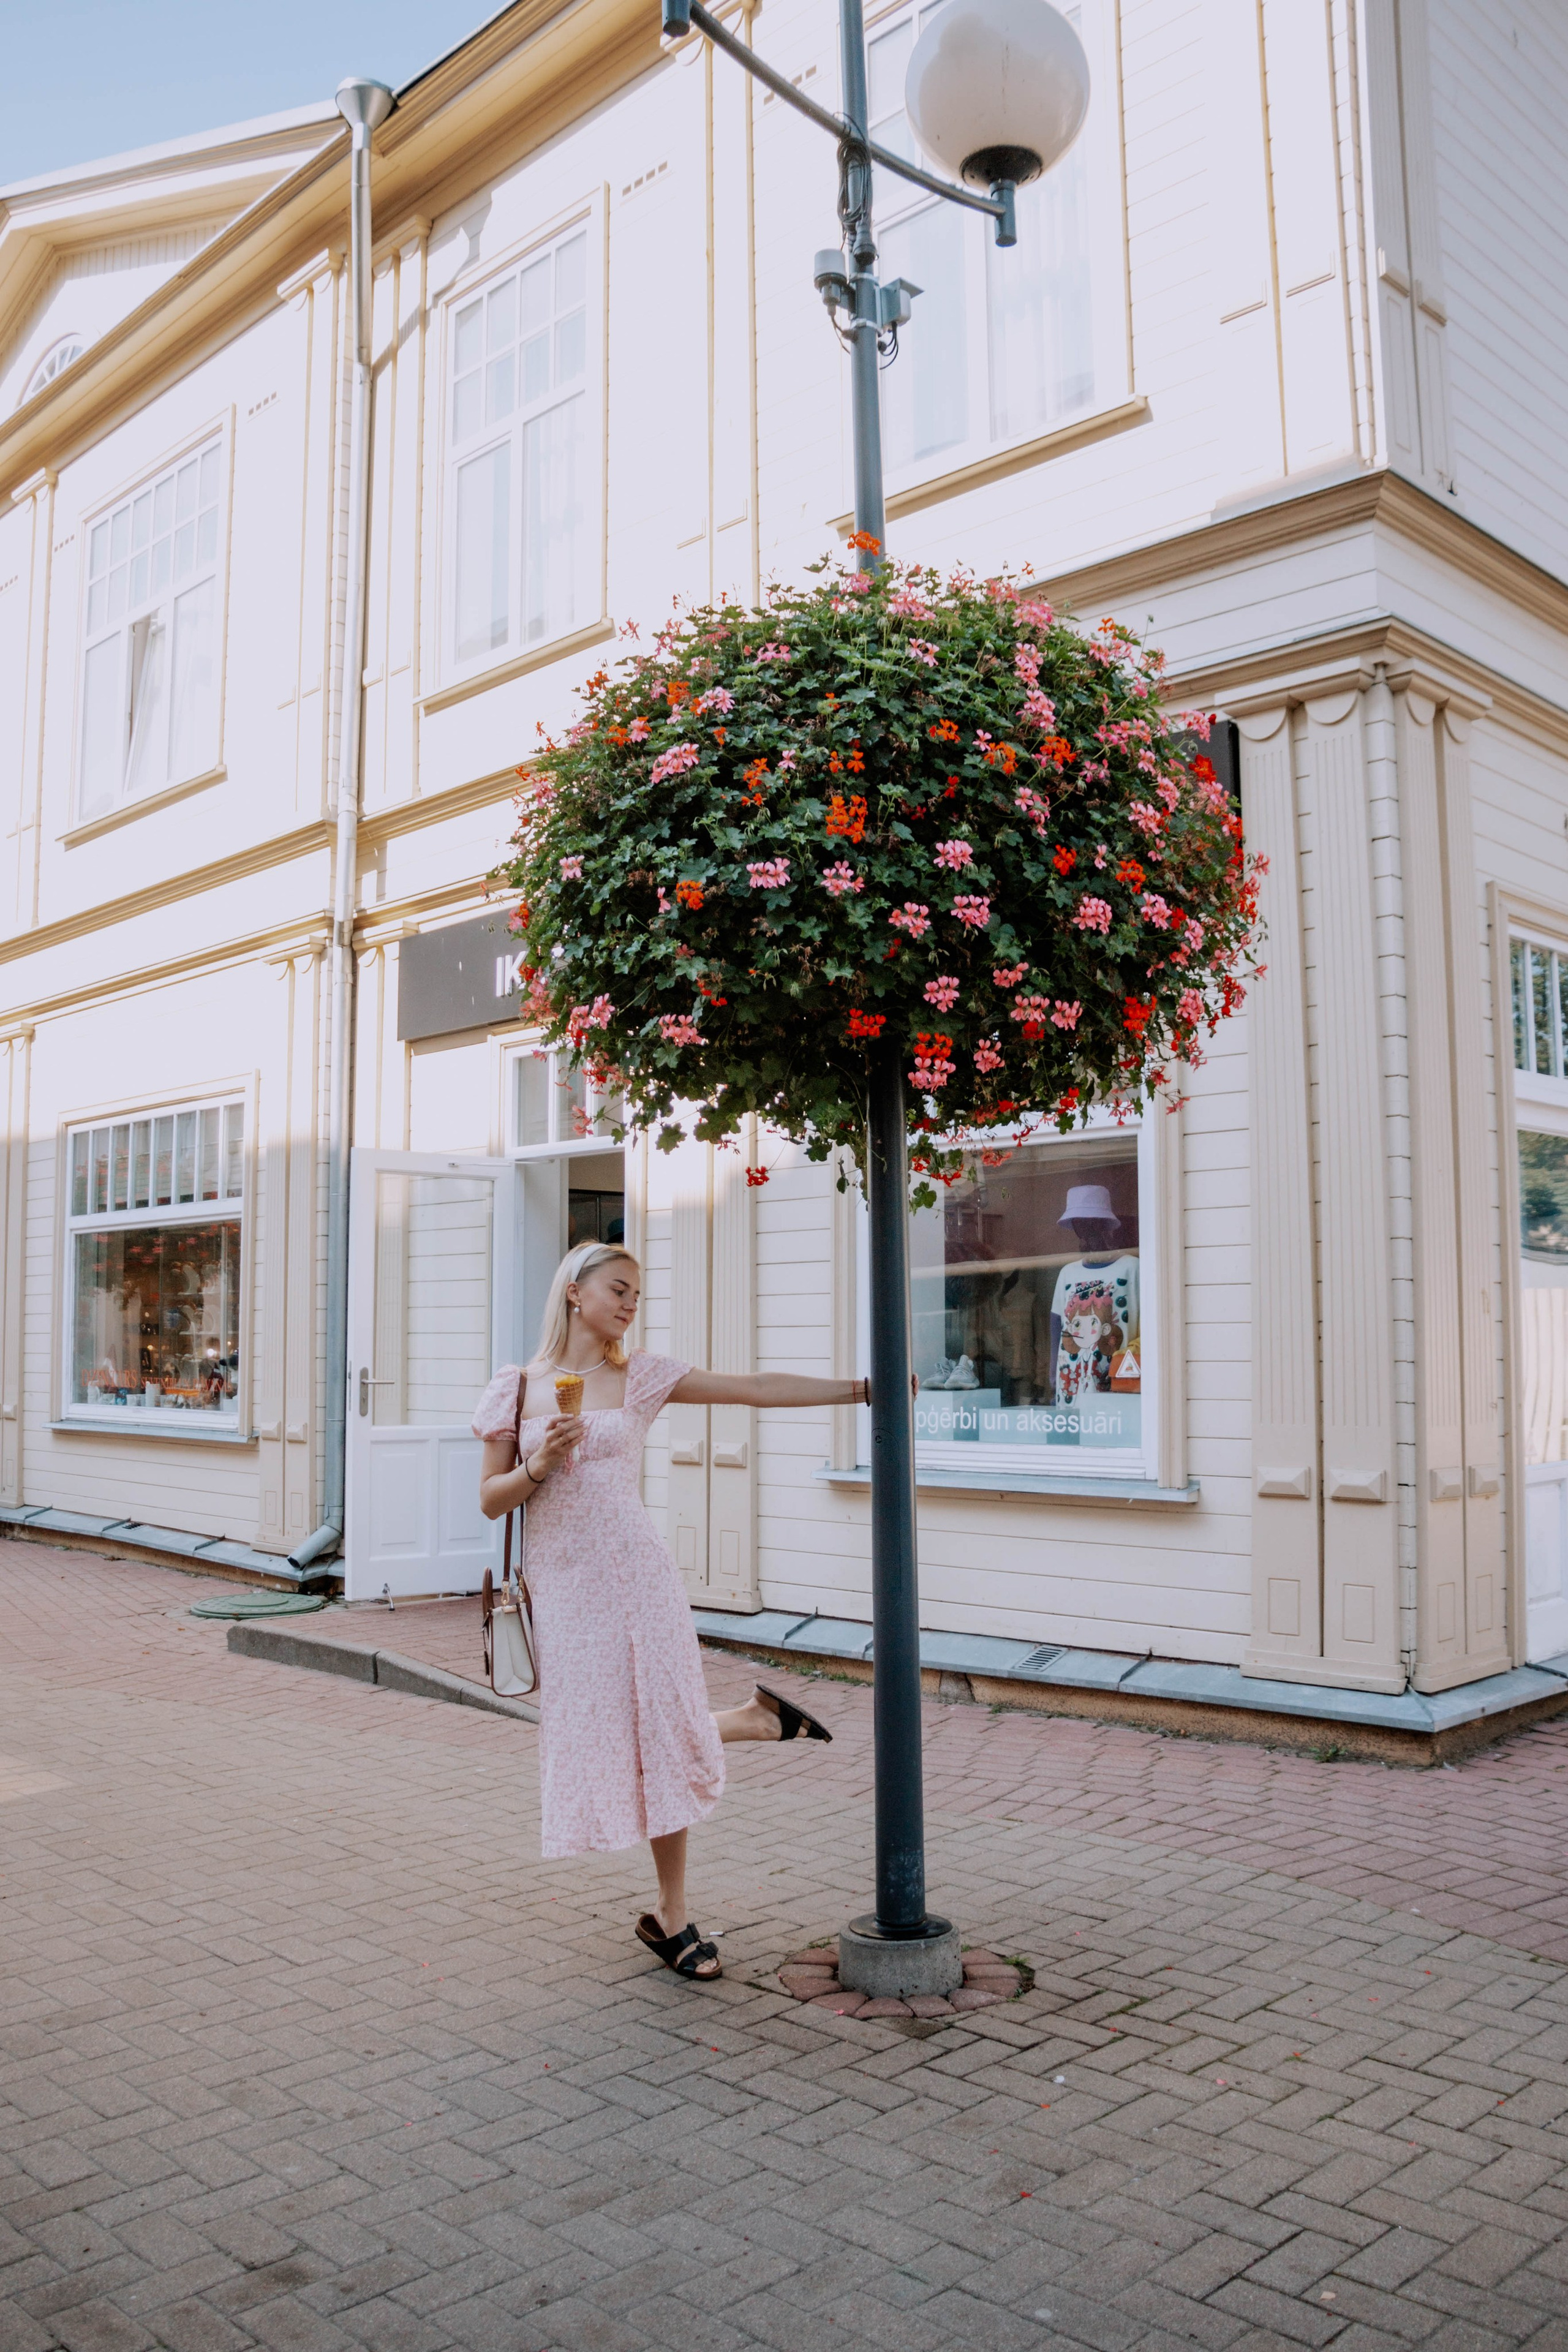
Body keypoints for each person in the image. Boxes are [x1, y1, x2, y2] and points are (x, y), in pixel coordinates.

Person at [475, 1238, 871, 1986]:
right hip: (564, 1585)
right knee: (597, 1728)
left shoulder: (642, 1377)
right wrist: (540, 1464)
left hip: (639, 1574)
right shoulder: (517, 1387)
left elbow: (750, 1387)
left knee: (656, 1725)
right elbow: (491, 1498)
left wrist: (856, 1390)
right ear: (574, 1293)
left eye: (636, 1295)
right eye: (618, 1290)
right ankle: (755, 1720)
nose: (629, 1305)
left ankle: (672, 1915)